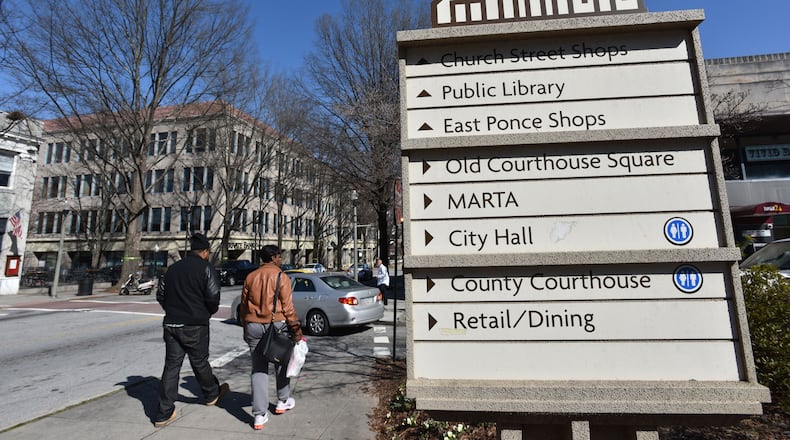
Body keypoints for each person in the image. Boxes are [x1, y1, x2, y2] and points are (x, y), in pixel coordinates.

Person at [154, 232, 229, 427]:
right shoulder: (207, 268)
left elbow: (160, 295)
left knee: (171, 366)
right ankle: (211, 394)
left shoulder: (172, 269)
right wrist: (206, 313)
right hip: (195, 324)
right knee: (199, 361)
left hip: (171, 324)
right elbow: (213, 297)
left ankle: (164, 412)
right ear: (204, 252)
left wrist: (171, 310)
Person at [240, 245, 304, 431]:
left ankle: (259, 415)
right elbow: (288, 308)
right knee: (282, 362)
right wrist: (297, 331)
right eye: (279, 257)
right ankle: (282, 401)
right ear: (274, 257)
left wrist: (245, 327)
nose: (280, 260)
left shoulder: (251, 277)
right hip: (276, 325)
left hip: (253, 325)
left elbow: (243, 307)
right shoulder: (281, 277)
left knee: (258, 369)